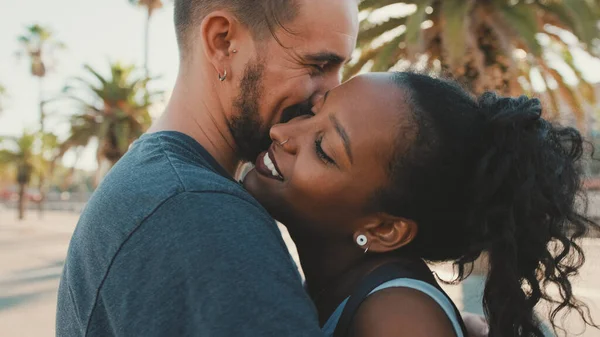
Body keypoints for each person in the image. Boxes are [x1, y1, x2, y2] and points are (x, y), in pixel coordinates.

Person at [56, 0, 358, 335]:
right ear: (223, 42)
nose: (330, 96)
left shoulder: (155, 186)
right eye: (317, 66)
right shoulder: (199, 212)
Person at [242, 72, 600, 337]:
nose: (282, 133)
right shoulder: (351, 292)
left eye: (324, 150)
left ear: (384, 230)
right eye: (312, 112)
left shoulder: (397, 320)